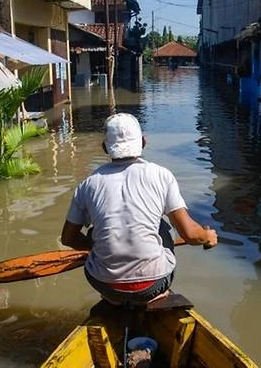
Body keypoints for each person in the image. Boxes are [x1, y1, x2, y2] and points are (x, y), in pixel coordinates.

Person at [61, 113, 218, 305]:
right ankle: (159, 296)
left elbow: (68, 238)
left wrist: (94, 245)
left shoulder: (87, 184)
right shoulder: (162, 176)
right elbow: (191, 235)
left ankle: (113, 299)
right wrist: (208, 236)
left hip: (104, 284)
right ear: (143, 143)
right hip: (155, 283)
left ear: (105, 148)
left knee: (95, 231)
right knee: (161, 225)